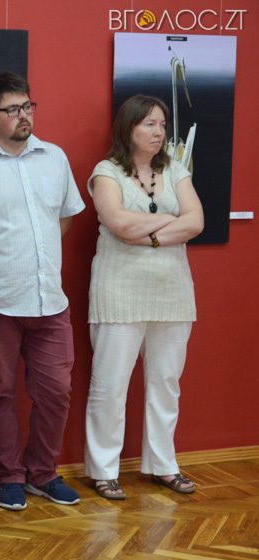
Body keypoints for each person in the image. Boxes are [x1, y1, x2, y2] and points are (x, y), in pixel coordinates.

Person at [0, 71, 85, 511]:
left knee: (56, 392)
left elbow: (65, 216)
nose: (24, 116)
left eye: (28, 106)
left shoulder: (55, 158)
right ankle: (9, 476)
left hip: (50, 302)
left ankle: (43, 473)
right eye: (13, 110)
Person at [84, 95, 203, 500]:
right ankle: (104, 470)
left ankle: (163, 465)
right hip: (118, 291)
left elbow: (196, 221)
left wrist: (147, 234)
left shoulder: (175, 170)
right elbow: (116, 222)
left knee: (166, 383)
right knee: (110, 386)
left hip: (173, 292)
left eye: (163, 124)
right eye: (149, 124)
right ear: (128, 128)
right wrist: (171, 221)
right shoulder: (106, 172)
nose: (159, 132)